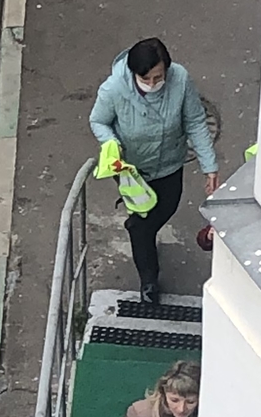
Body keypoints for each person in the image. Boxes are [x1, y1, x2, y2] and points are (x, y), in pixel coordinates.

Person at [89, 36, 220, 307]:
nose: (152, 84)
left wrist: (209, 166)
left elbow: (195, 121)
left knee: (167, 207)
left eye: (158, 77)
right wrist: (112, 143)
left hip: (170, 164)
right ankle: (148, 279)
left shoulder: (180, 80)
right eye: (145, 79)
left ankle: (140, 229)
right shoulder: (113, 89)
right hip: (132, 172)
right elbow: (99, 121)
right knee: (143, 228)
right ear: (135, 74)